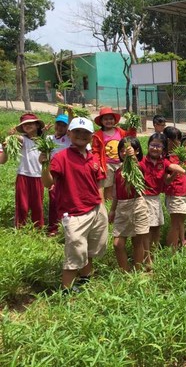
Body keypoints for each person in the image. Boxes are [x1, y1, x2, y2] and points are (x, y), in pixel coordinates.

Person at [40, 117, 108, 291]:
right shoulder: (61, 157)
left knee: (91, 248)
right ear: (69, 133)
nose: (81, 135)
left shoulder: (92, 158)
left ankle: (85, 280)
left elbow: (99, 182)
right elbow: (48, 184)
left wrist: (101, 206)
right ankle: (66, 290)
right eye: (77, 131)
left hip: (95, 209)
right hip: (74, 212)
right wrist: (44, 165)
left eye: (85, 133)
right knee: (75, 251)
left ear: (91, 136)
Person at [139, 133, 184, 265]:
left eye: (159, 146)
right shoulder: (141, 162)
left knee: (156, 229)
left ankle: (153, 255)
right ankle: (147, 259)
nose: (155, 148)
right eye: (153, 145)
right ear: (148, 146)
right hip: (144, 199)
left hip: (156, 199)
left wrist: (177, 172)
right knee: (146, 230)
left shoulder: (163, 162)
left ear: (163, 149)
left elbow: (167, 181)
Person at [109, 137, 149, 271]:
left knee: (137, 242)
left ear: (137, 151)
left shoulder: (140, 165)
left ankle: (137, 271)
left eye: (127, 150)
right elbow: (116, 193)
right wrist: (112, 210)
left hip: (137, 204)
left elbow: (138, 170)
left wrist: (133, 159)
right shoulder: (118, 171)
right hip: (121, 207)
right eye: (121, 151)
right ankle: (125, 272)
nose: (124, 153)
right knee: (117, 244)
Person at [92, 107, 137, 200]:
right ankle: (108, 202)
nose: (109, 121)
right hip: (107, 164)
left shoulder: (119, 131)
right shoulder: (98, 134)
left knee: (121, 182)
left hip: (120, 162)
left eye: (111, 119)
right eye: (106, 119)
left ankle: (120, 199)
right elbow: (95, 151)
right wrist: (98, 163)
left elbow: (130, 138)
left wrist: (133, 128)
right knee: (108, 185)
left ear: (114, 120)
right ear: (101, 121)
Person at [11, 113, 45, 228]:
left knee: (38, 205)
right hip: (23, 175)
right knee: (22, 204)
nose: (27, 126)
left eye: (30, 123)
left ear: (37, 125)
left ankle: (38, 227)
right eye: (25, 124)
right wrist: (12, 135)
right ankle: (20, 227)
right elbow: (17, 138)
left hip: (38, 176)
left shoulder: (43, 141)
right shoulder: (23, 139)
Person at [163, 127, 186, 249]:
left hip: (182, 192)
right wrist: (177, 170)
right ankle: (171, 250)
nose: (179, 142)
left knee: (180, 222)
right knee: (175, 224)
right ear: (169, 141)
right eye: (177, 139)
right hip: (174, 193)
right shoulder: (166, 158)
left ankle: (180, 243)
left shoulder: (178, 155)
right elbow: (167, 180)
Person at [46, 114, 72, 236]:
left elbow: (72, 127)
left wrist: (70, 114)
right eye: (58, 124)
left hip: (67, 173)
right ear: (55, 125)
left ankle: (66, 228)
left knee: (67, 200)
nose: (60, 127)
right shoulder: (49, 139)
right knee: (54, 200)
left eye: (64, 125)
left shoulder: (69, 138)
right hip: (54, 173)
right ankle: (53, 228)